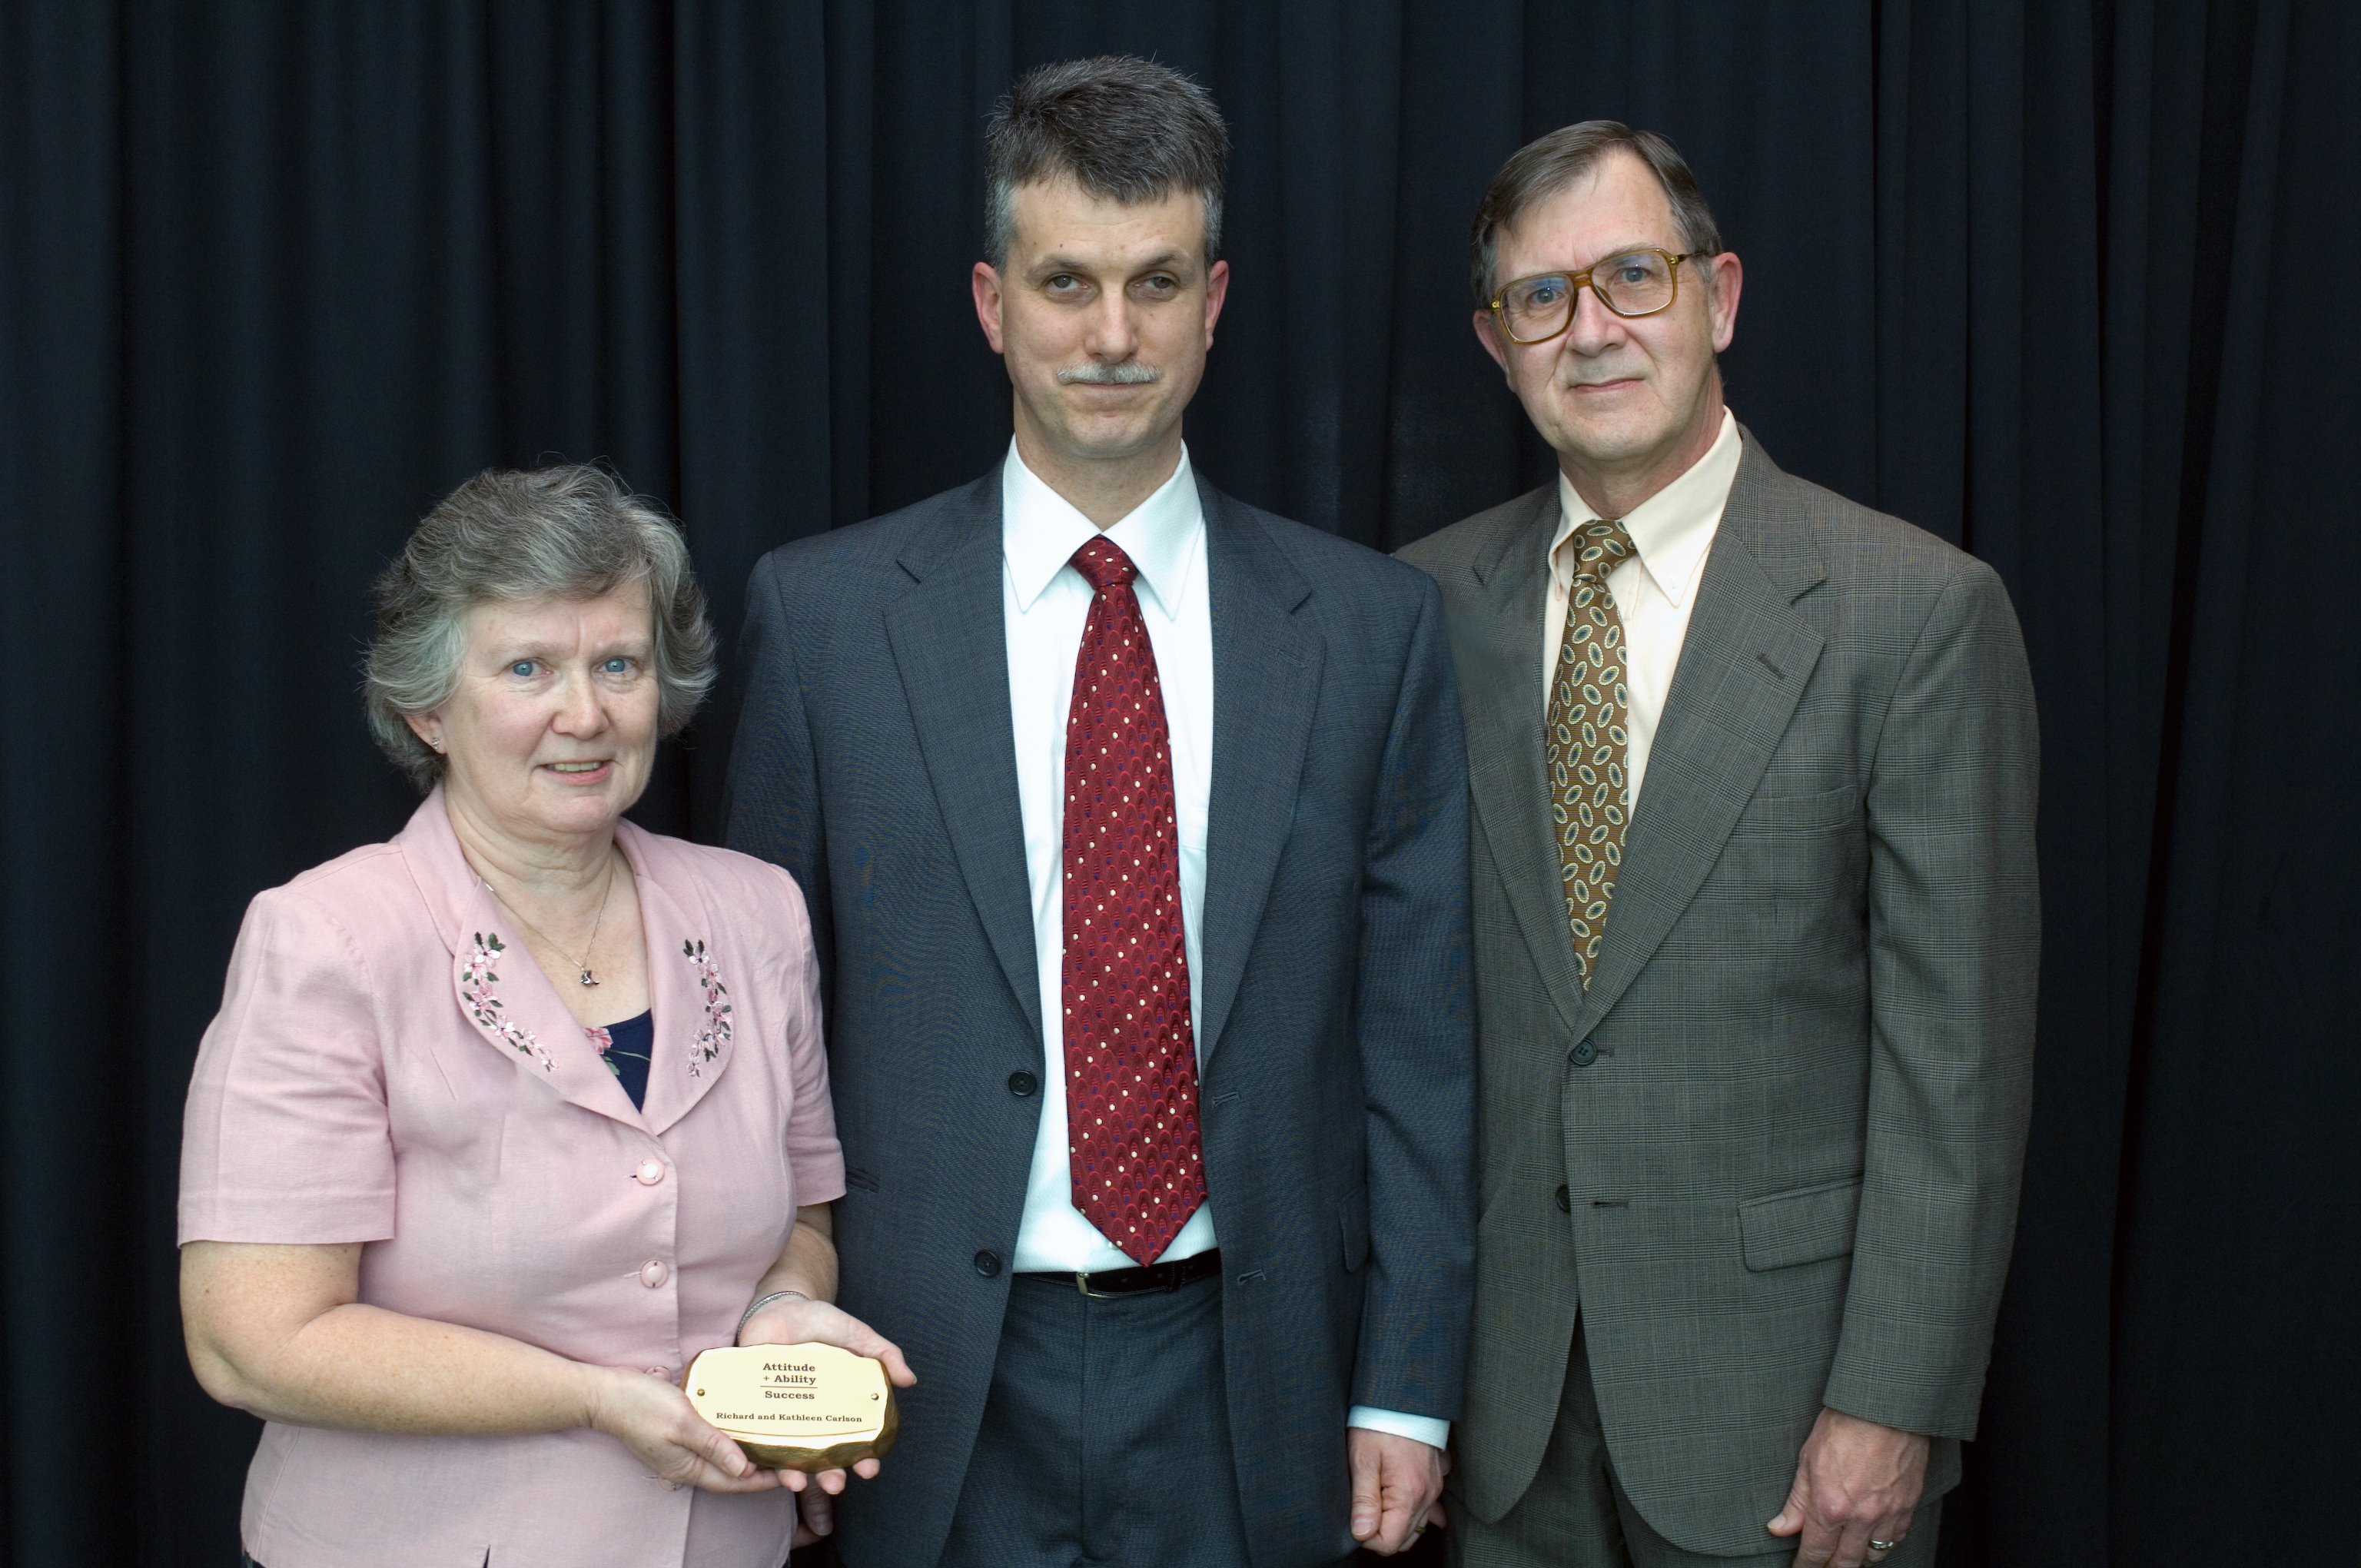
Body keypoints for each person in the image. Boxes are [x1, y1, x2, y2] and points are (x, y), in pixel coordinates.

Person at [726, 55, 1474, 1568]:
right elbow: (758, 1031)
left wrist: (1407, 1386)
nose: (1114, 336)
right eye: (1069, 283)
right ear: (995, 304)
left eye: (1155, 282)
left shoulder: (1369, 627)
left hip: (1251, 1374)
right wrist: (773, 1349)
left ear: (1215, 300)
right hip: (920, 1378)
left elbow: (1420, 1045)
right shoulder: (824, 619)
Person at [1396, 123, 2038, 1568]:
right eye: (1542, 297)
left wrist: (1894, 1401)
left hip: (1789, 1421)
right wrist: (1404, 1375)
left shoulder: (1910, 614)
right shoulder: (1417, 613)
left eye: (1634, 275)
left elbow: (1961, 1068)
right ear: (1497, 344)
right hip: (1502, 1421)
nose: (1594, 329)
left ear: (1721, 297)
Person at [178, 465, 912, 1568]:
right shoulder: (329, 938)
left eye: (618, 664)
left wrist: (782, 1316)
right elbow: (251, 1344)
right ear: (428, 705)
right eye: (529, 667)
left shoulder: (757, 914)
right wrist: (595, 1399)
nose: (587, 714)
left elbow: (802, 1226)